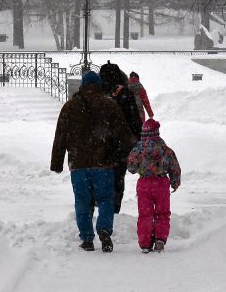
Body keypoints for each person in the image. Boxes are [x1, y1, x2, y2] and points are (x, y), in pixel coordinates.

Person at [51, 71, 135, 252]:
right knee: (105, 200)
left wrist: (57, 162)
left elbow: (60, 136)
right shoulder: (109, 105)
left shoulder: (70, 107)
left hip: (78, 165)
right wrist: (133, 154)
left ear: (82, 85)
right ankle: (104, 231)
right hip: (103, 164)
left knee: (82, 201)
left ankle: (87, 239)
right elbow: (124, 133)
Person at [127, 119, 181, 254]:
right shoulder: (165, 149)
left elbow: (131, 167)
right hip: (161, 184)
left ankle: (145, 243)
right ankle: (160, 240)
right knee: (162, 214)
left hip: (144, 184)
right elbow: (175, 168)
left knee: (145, 215)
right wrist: (175, 182)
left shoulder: (138, 149)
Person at [99, 61, 142, 214]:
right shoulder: (126, 95)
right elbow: (136, 122)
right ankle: (114, 210)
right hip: (121, 147)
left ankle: (102, 209)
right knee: (117, 179)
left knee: (100, 180)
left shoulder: (97, 95)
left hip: (100, 146)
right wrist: (137, 142)